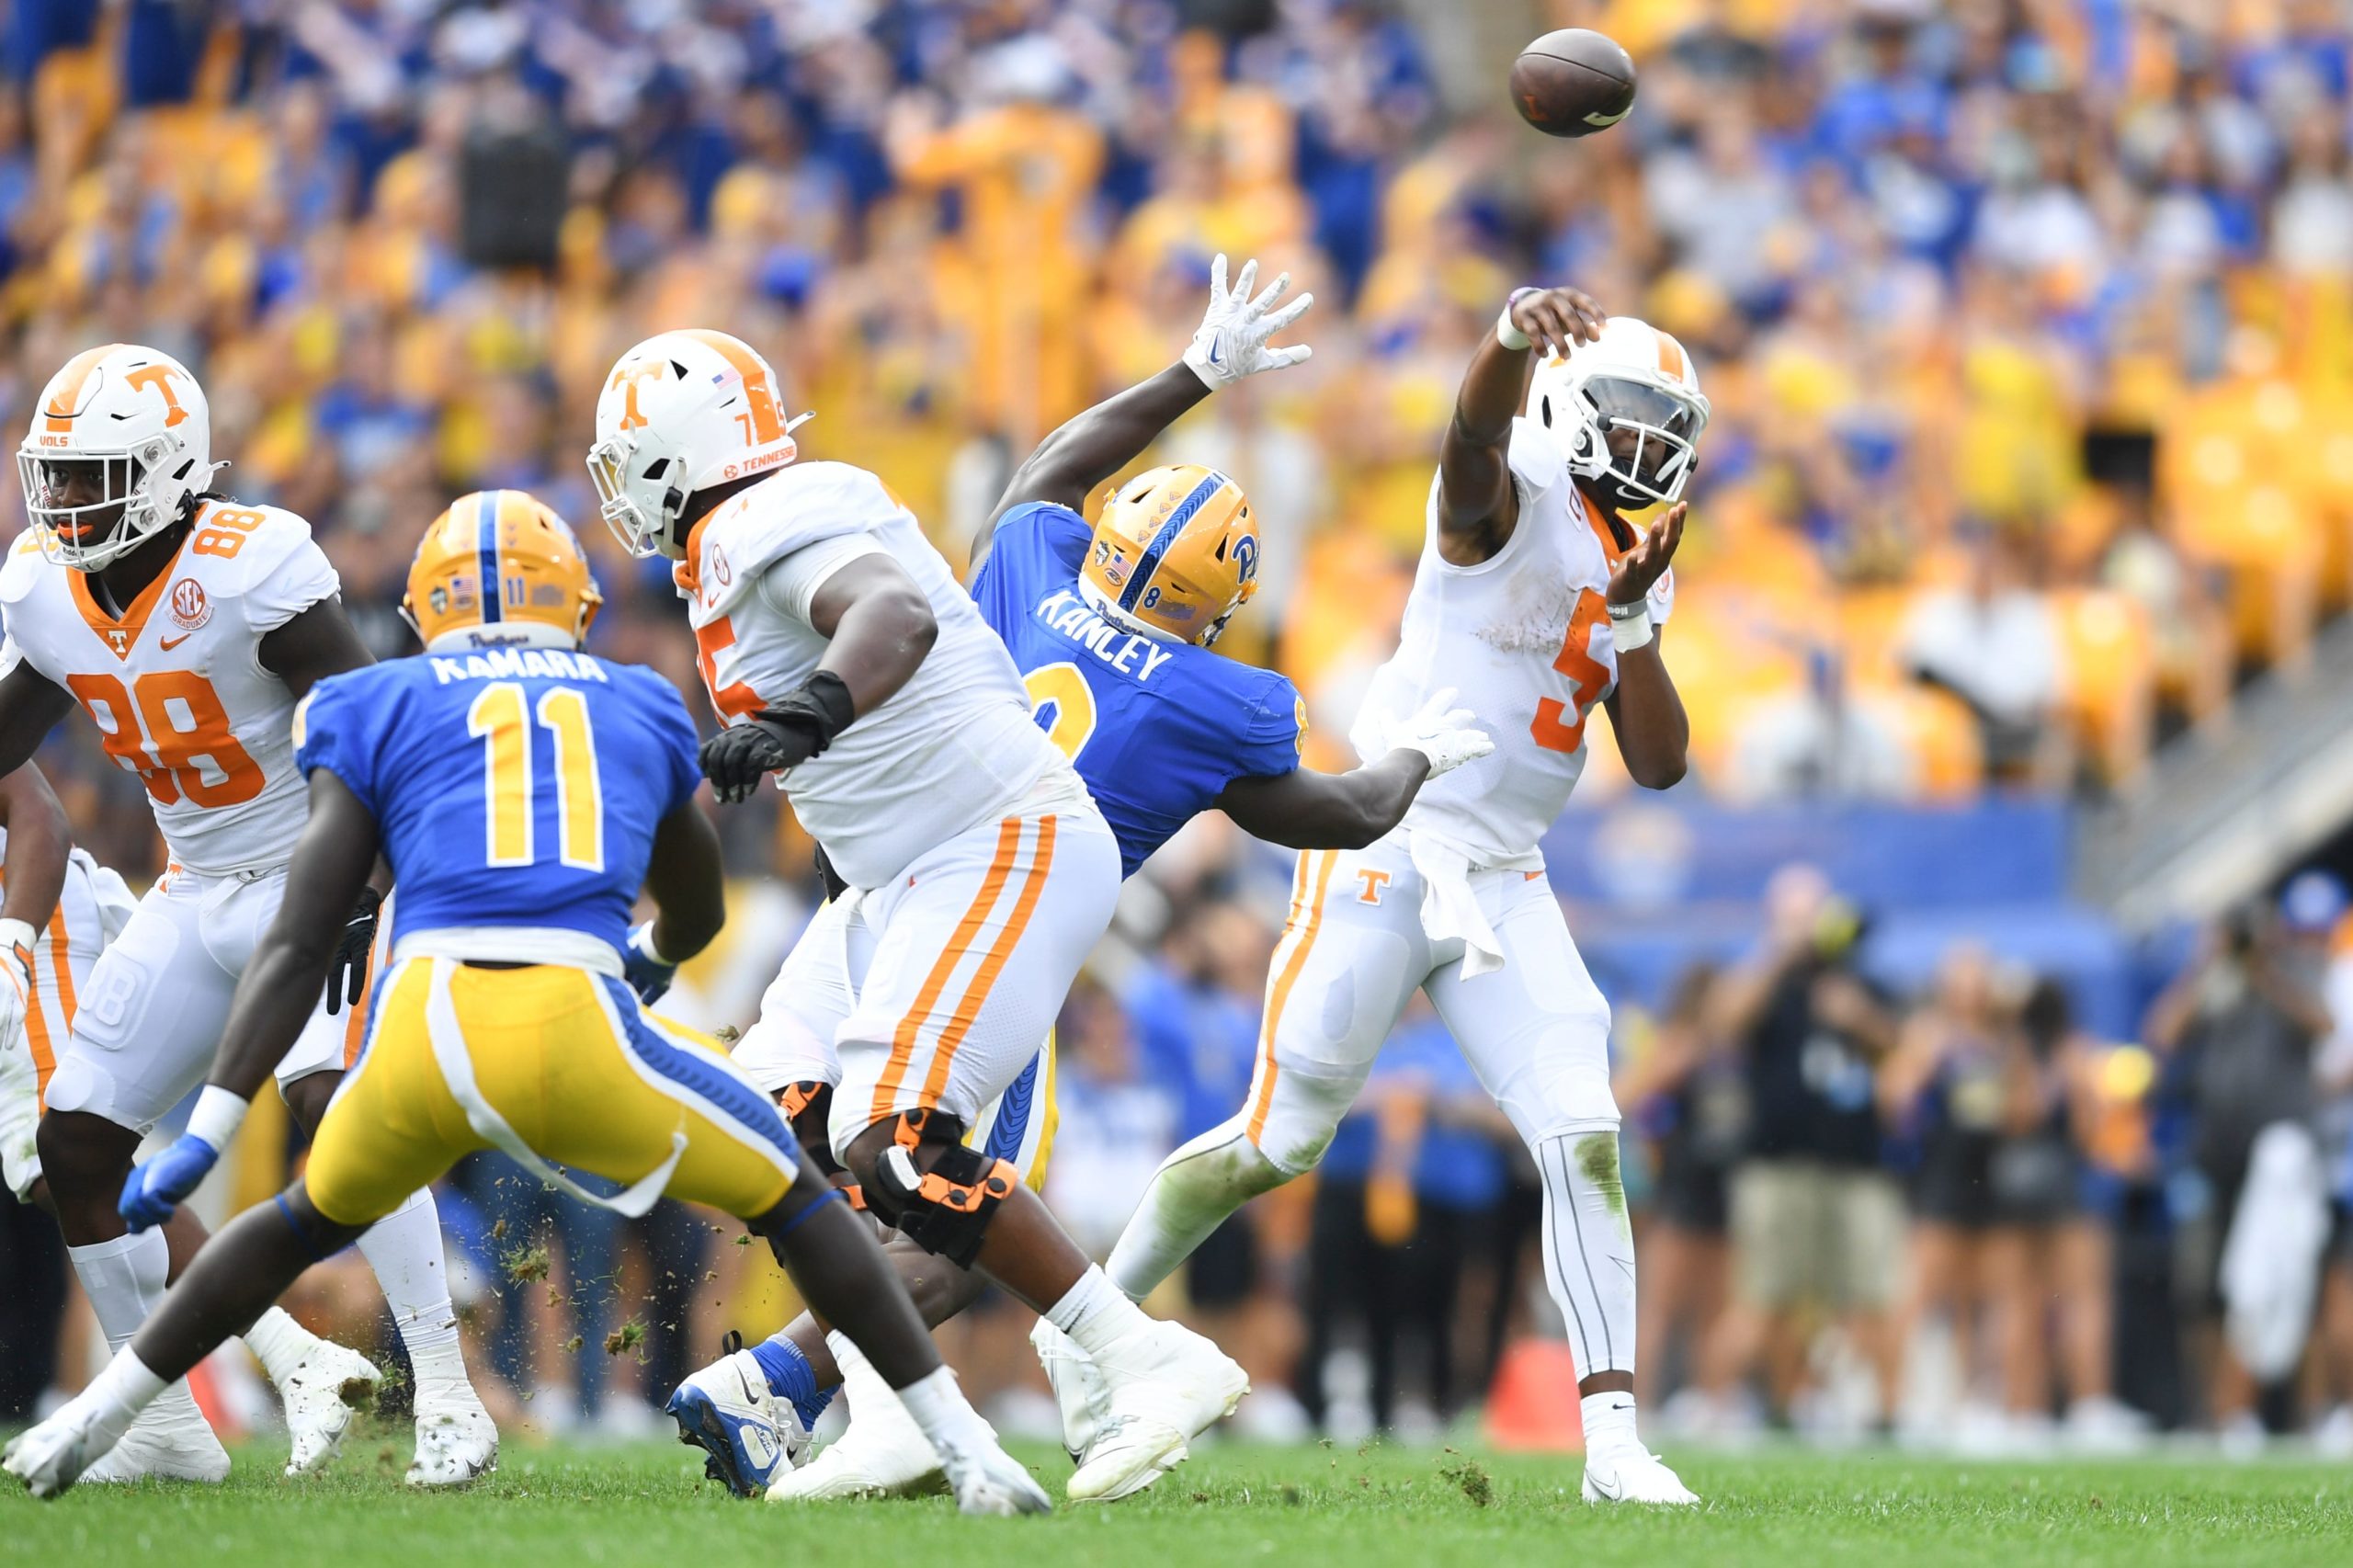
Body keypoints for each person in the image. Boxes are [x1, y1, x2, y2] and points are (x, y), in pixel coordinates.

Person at [4, 492, 1047, 1515]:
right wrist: (648, 955)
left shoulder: (377, 701)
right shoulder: (635, 697)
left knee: (291, 1221)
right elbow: (691, 911)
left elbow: (302, 932)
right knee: (800, 1199)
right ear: (581, 607)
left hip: (433, 1033)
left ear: (420, 615)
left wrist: (217, 1121)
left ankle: (91, 1419)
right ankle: (962, 1445)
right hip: (581, 1025)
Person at [667, 256, 1490, 1501]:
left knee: (888, 1157)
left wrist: (1196, 372)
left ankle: (834, 1394)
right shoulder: (1220, 695)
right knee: (904, 1165)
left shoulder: (1030, 569)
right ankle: (820, 1383)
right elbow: (1341, 810)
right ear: (1219, 612)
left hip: (944, 878)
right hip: (989, 897)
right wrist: (1426, 747)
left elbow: (1050, 465)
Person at [586, 327, 1249, 1505]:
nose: (621, 485)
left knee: (897, 1142)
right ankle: (881, 1403)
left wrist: (805, 715)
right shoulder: (736, 536)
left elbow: (893, 610)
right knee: (781, 1116)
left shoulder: (762, 517)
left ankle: (1144, 1355)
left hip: (991, 841)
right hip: (895, 877)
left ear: (682, 455)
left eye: (632, 458)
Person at [1097, 282, 1708, 1505]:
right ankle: (1092, 1329)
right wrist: (1499, 343)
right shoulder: (1512, 489)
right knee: (1278, 1139)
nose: (1652, 443)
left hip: (1506, 872)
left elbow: (1659, 763)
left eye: (1670, 421)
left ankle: (1614, 1446)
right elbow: (1471, 445)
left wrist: (1637, 617)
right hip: (1389, 836)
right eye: (1631, 414)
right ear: (1573, 405)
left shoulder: (1641, 551)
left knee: (1584, 1131)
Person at [0, 344, 492, 1484]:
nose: (66, 500)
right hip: (193, 884)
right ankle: (163, 1421)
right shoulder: (46, 586)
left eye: (94, 475)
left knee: (337, 1104)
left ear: (170, 471)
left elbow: (363, 724)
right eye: (56, 474)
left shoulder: (248, 563)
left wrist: (369, 886)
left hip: (301, 871)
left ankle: (451, 1397)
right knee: (76, 1136)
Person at [1709, 867, 1904, 1434]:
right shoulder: (1767, 981)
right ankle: (1766, 1407)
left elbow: (1900, 1052)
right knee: (1773, 1293)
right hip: (1777, 1161)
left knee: (1870, 1290)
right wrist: (1776, 955)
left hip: (1855, 1162)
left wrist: (1858, 1018)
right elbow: (1726, 1022)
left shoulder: (1856, 981)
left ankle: (1886, 1416)